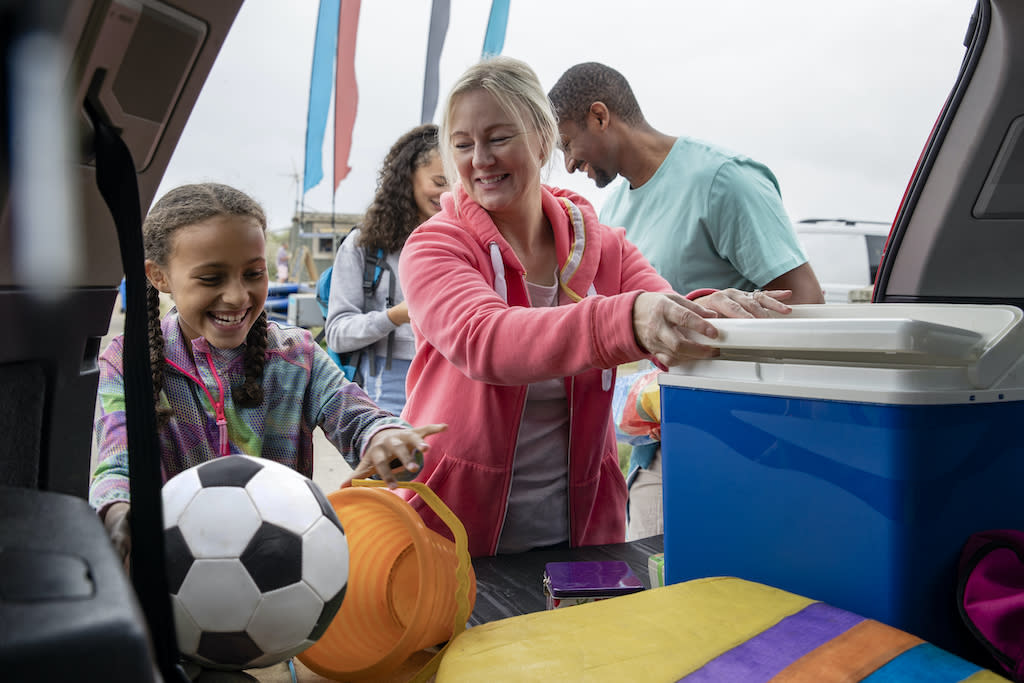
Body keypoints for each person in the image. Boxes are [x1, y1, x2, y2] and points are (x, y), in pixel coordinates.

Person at [393, 56, 792, 558]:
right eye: (463, 146)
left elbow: (662, 313)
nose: (481, 160)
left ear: (541, 140)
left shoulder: (604, 245)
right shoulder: (435, 247)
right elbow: (485, 341)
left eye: (498, 139)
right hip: (453, 536)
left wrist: (710, 312)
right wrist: (627, 318)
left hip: (582, 535)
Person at [89, 183, 444, 563]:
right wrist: (118, 512)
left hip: (283, 571)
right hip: (171, 576)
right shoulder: (127, 363)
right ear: (159, 277)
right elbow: (117, 461)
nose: (238, 296)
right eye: (211, 278)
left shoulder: (298, 357)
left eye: (254, 273)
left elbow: (356, 415)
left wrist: (386, 438)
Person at [549, 62, 825, 540]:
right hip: (654, 446)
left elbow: (805, 302)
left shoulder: (722, 180)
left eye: (568, 144)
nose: (569, 165)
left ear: (600, 116)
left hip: (741, 442)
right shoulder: (613, 211)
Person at [324, 124, 447, 415]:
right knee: (396, 461)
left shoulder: (468, 240)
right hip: (387, 393)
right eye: (440, 181)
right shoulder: (363, 245)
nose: (449, 194)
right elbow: (338, 333)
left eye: (459, 182)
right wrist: (394, 316)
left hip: (451, 382)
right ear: (407, 179)